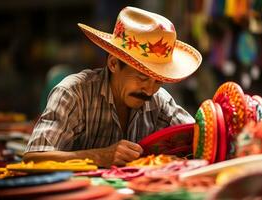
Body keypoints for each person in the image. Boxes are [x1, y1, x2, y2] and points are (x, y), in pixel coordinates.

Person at [23, 6, 202, 167]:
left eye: (158, 81)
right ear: (114, 63)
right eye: (142, 78)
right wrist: (99, 156)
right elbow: (34, 158)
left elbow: (199, 140)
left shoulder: (159, 101)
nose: (149, 90)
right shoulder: (73, 93)